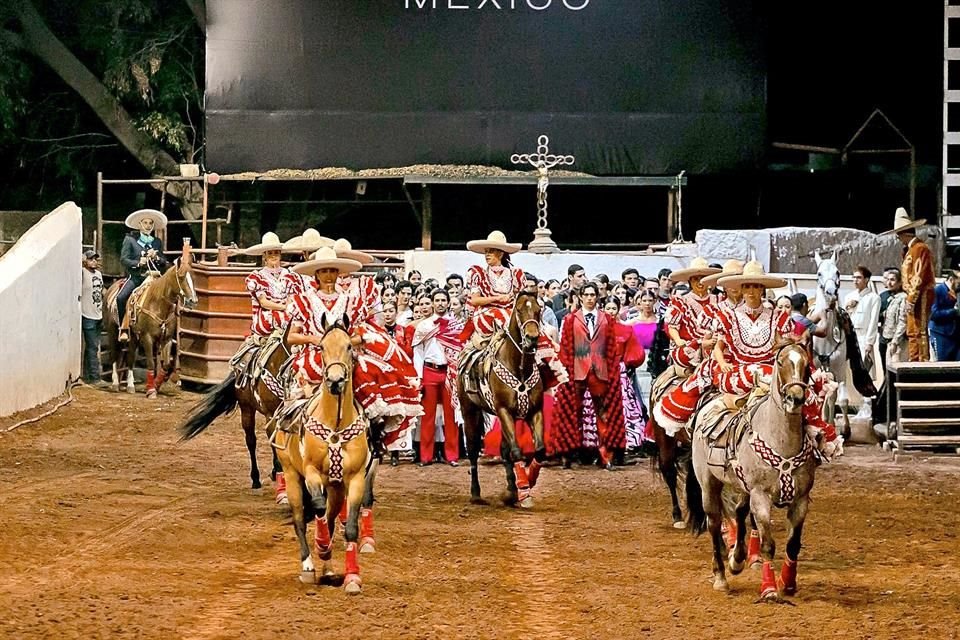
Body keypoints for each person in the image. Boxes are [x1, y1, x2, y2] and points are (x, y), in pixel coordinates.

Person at [655, 262, 839, 455]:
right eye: (747, 286)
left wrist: (786, 352)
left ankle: (814, 436)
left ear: (763, 290)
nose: (751, 292)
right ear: (741, 289)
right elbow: (719, 346)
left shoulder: (778, 316)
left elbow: (783, 345)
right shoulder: (726, 315)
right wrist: (722, 362)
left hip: (769, 368)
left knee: (800, 390)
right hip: (737, 369)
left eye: (757, 286)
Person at [286, 247, 423, 429]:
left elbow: (360, 335)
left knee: (371, 370)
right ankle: (295, 421)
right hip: (316, 353)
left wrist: (343, 343)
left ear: (338, 273)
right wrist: (314, 339)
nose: (329, 275)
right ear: (316, 274)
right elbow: (291, 337)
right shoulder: (303, 301)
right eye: (324, 271)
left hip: (346, 354)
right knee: (314, 372)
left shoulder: (352, 301)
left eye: (333, 271)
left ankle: (373, 424)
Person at [553, 283, 626, 470]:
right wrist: (566, 371)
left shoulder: (607, 319)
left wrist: (612, 371)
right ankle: (568, 454)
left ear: (597, 297)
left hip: (600, 371)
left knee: (604, 414)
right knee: (571, 413)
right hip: (577, 371)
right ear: (580, 296)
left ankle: (605, 455)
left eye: (593, 295)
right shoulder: (570, 319)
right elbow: (566, 347)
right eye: (586, 295)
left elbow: (611, 347)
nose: (590, 298)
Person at [412, 289, 462, 466]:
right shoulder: (424, 326)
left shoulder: (456, 325)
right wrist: (418, 376)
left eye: (443, 300)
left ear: (448, 303)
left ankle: (452, 456)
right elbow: (417, 352)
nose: (440, 303)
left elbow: (460, 350)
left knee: (451, 415)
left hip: (449, 372)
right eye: (437, 300)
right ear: (432, 303)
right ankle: (426, 456)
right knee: (427, 416)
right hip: (429, 371)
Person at [885, 207, 936, 362]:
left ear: (904, 234)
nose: (898, 238)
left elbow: (918, 276)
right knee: (912, 330)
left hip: (921, 295)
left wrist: (911, 299)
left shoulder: (920, 249)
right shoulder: (910, 250)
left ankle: (922, 360)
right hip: (913, 295)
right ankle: (915, 360)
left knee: (919, 330)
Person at [602, 296, 647, 456]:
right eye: (608, 308)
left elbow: (636, 353)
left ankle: (627, 442)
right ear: (603, 309)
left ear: (619, 309)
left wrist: (626, 364)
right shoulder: (596, 330)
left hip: (620, 376)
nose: (611, 312)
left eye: (614, 308)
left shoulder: (626, 330)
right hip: (600, 375)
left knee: (624, 409)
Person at [662, 257, 722, 374]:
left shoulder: (719, 300)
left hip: (715, 345)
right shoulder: (680, 301)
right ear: (690, 281)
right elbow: (672, 326)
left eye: (703, 279)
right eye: (695, 279)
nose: (699, 282)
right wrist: (678, 340)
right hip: (690, 345)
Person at [117, 208, 169, 342]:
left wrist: (156, 258)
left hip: (154, 279)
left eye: (150, 223)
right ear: (140, 224)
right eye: (145, 223)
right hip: (137, 277)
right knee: (121, 298)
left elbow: (164, 261)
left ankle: (166, 327)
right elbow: (124, 259)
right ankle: (124, 328)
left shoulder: (156, 242)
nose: (148, 226)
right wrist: (139, 262)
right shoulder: (130, 240)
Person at [244, 232, 293, 337]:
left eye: (276, 253)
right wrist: (284, 307)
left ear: (280, 254)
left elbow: (291, 296)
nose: (273, 256)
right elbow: (264, 302)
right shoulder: (258, 276)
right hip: (267, 314)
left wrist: (289, 308)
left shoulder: (289, 274)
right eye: (270, 253)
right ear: (264, 256)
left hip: (289, 313)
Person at [843, 266, 881, 379]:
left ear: (866, 279)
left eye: (859, 278)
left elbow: (873, 321)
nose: (855, 280)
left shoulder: (874, 298)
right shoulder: (849, 296)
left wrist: (869, 342)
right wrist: (847, 307)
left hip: (863, 336)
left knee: (864, 371)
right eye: (854, 277)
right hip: (849, 336)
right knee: (849, 371)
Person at [81, 249, 105, 386]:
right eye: (91, 259)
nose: (94, 261)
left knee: (91, 346)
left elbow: (101, 290)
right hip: (87, 313)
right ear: (85, 261)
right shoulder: (83, 273)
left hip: (97, 313)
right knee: (92, 346)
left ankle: (87, 374)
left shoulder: (99, 274)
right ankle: (95, 377)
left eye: (95, 259)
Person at [879, 268, 908, 372]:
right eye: (888, 279)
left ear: (899, 282)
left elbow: (902, 321)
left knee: (895, 370)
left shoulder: (903, 297)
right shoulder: (890, 297)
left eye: (893, 280)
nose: (889, 282)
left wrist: (895, 341)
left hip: (897, 341)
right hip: (886, 337)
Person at [930, 269, 960, 361]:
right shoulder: (937, 291)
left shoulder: (958, 292)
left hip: (956, 335)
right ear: (951, 280)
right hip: (941, 334)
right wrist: (954, 311)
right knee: (943, 365)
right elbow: (933, 314)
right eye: (959, 283)